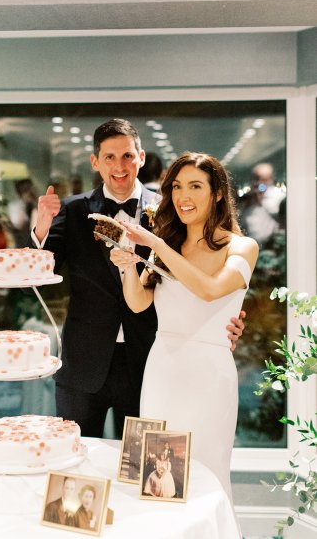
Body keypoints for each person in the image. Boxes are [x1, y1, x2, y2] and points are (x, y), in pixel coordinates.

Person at [29, 119, 245, 439]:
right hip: (84, 361)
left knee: (140, 467)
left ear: (141, 158)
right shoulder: (74, 210)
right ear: (95, 162)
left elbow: (201, 267)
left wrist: (228, 315)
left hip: (149, 360)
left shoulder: (171, 211)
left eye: (128, 156)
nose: (120, 166)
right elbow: (42, 269)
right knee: (77, 458)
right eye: (110, 157)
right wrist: (41, 228)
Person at [110, 151, 259, 506]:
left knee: (207, 474)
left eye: (195, 186)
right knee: (156, 478)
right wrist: (128, 264)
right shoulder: (169, 245)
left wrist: (157, 243)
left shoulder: (241, 247)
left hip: (209, 377)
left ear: (218, 192)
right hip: (161, 368)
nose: (183, 197)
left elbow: (209, 290)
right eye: (177, 187)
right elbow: (139, 303)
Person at [8, 178, 38, 247]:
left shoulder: (37, 204)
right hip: (23, 243)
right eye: (25, 190)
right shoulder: (16, 206)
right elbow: (18, 225)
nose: (29, 193)